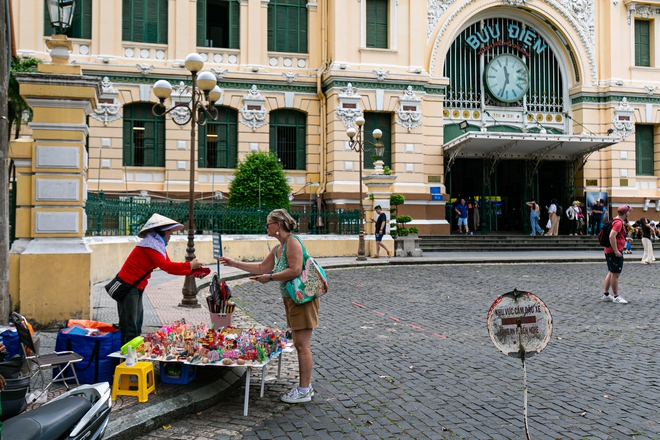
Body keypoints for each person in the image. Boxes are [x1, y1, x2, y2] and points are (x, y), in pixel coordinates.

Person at [218, 209, 319, 404]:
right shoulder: (278, 248)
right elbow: (261, 268)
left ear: (278, 225)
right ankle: (305, 387)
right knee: (299, 343)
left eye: (268, 224)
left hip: (302, 299)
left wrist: (270, 278)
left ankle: (305, 389)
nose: (266, 227)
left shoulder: (292, 242)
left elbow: (295, 270)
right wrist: (234, 263)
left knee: (301, 345)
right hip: (292, 299)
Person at [116, 214, 204, 344]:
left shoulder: (157, 246)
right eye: (169, 233)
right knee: (130, 327)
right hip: (129, 288)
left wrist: (192, 272)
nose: (170, 236)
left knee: (136, 324)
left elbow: (169, 268)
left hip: (136, 288)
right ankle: (125, 359)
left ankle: (133, 357)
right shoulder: (149, 246)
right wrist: (190, 265)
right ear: (162, 233)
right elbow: (166, 265)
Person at [602, 205, 633, 304]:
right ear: (625, 213)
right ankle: (616, 296)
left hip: (608, 250)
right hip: (614, 252)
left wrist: (625, 239)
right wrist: (616, 251)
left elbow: (617, 236)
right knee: (615, 274)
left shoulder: (614, 220)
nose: (629, 213)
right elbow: (612, 236)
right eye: (628, 211)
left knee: (611, 272)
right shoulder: (619, 223)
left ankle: (606, 294)